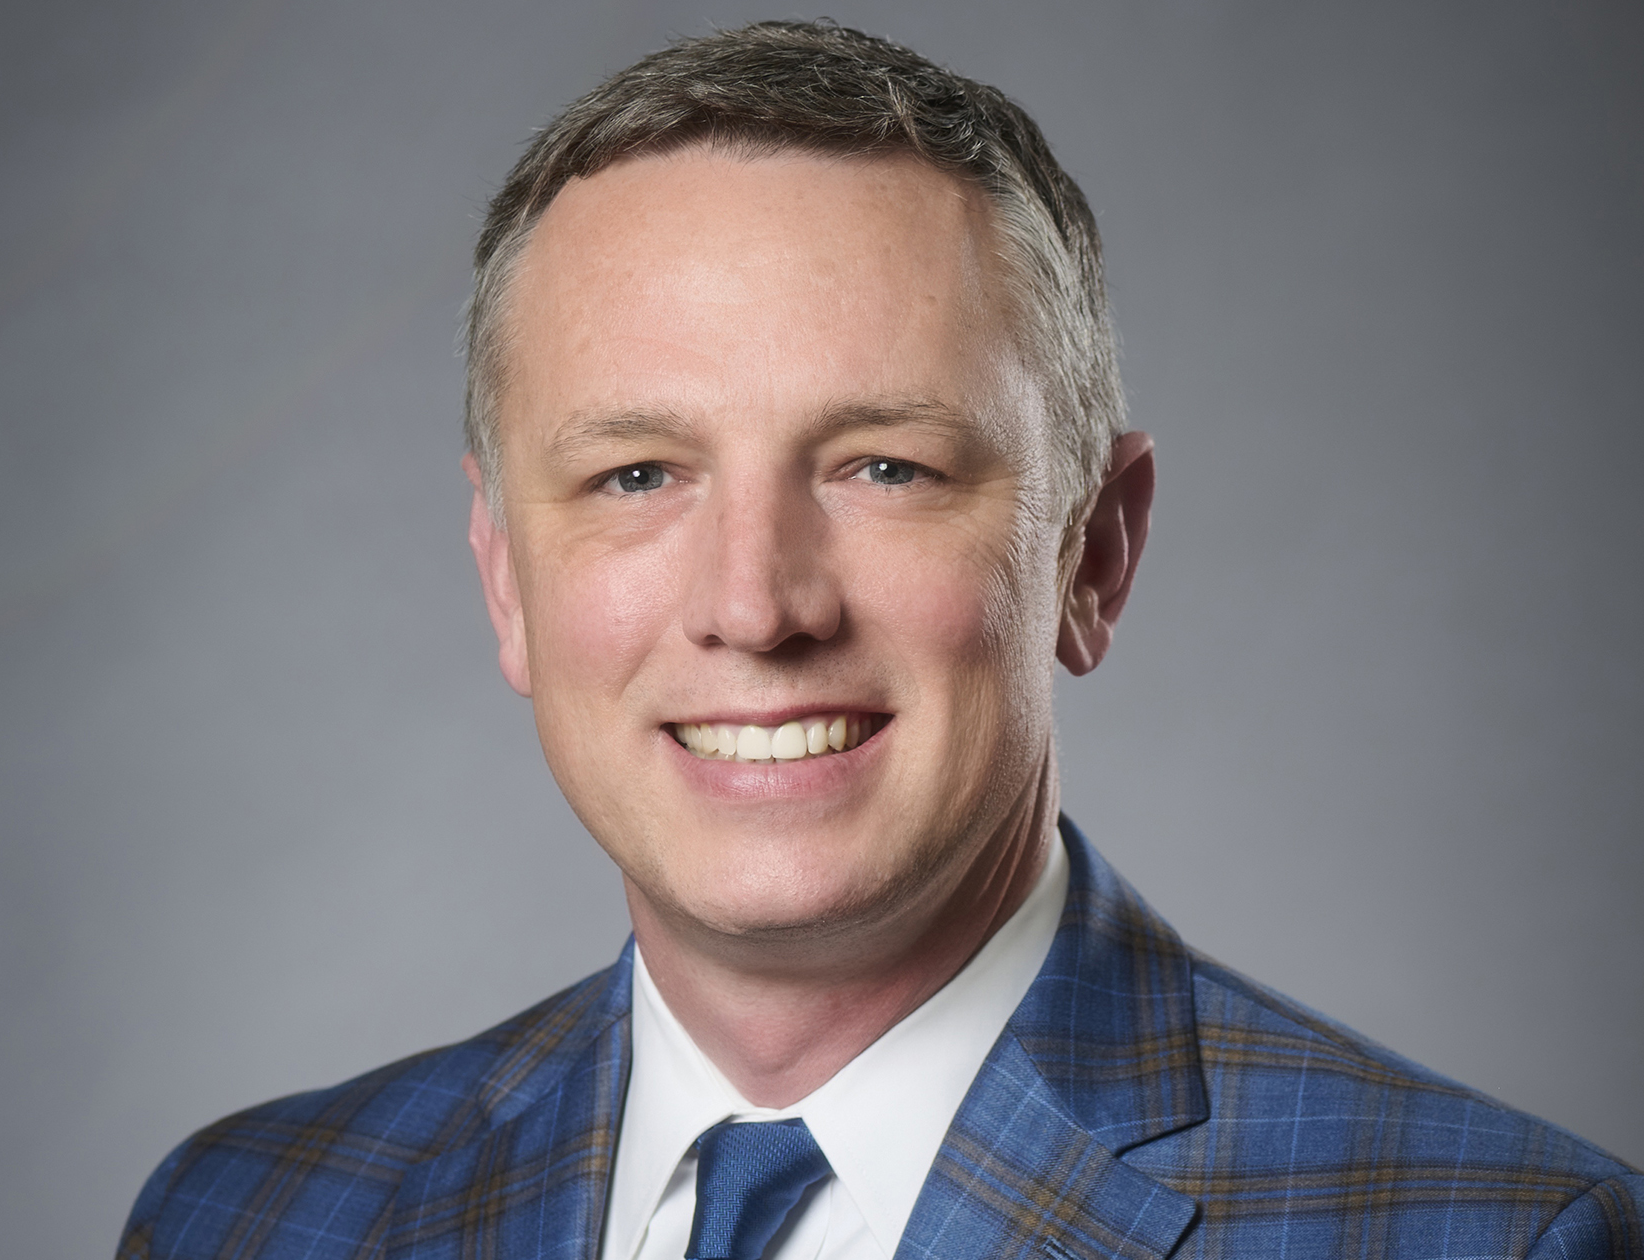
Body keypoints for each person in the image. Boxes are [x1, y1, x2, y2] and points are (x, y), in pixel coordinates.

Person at [117, 20, 1640, 1260]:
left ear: (1091, 555)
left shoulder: (1494, 1235)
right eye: (636, 475)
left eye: (885, 469)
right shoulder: (246, 1218)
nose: (757, 606)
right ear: (507, 578)